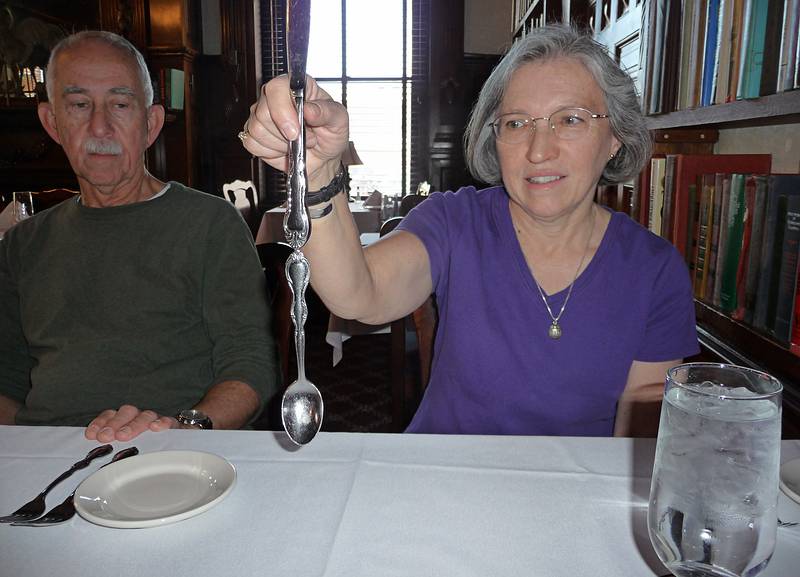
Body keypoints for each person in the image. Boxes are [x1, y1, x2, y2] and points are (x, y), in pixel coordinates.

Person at [240, 25, 699, 437]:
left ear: (615, 135)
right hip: (442, 483)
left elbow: (637, 446)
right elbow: (359, 294)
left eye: (571, 119)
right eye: (517, 123)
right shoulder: (455, 221)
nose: (539, 150)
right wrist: (318, 170)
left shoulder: (654, 270)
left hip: (571, 503)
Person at [0, 31, 278, 442]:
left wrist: (184, 428)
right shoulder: (21, 245)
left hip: (172, 449)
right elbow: (6, 379)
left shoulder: (209, 225)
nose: (100, 126)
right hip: (47, 457)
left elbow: (251, 364)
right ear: (52, 122)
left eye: (120, 104)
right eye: (79, 105)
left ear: (150, 125)